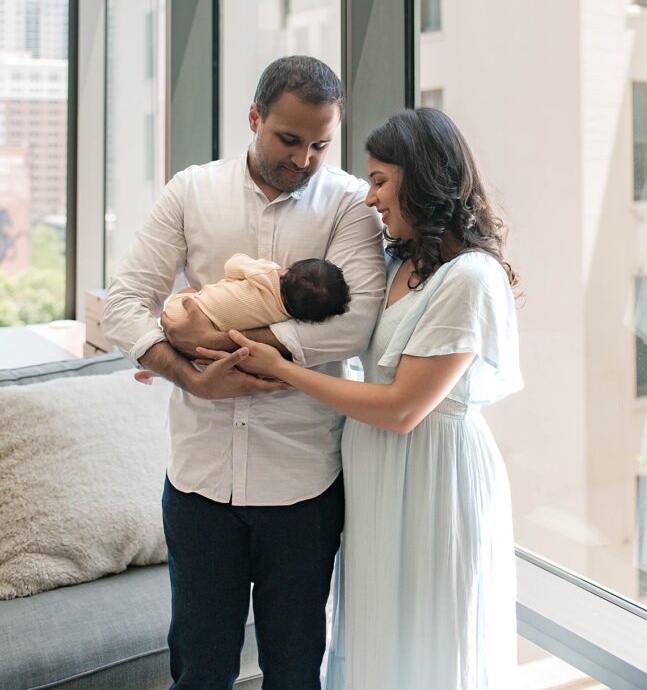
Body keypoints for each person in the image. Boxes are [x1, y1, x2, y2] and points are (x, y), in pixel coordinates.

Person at [205, 108, 523, 690]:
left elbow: (403, 408)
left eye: (380, 180)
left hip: (433, 478)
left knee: (429, 642)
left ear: (421, 178)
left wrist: (284, 368)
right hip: (378, 477)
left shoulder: (471, 279)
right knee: (379, 640)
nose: (370, 198)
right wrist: (178, 349)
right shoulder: (399, 261)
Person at [101, 56, 385, 690]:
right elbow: (122, 304)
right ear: (254, 117)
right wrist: (192, 375)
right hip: (200, 481)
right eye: (289, 139)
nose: (305, 158)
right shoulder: (191, 191)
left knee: (293, 671)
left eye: (319, 143)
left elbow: (355, 324)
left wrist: (226, 341)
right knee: (199, 672)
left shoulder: (346, 204)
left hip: (303, 486)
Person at [134, 253, 351, 384]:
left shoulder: (265, 275)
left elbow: (233, 264)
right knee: (191, 357)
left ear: (285, 273)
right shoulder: (283, 321)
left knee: (189, 291)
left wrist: (267, 268)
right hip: (205, 336)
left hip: (183, 312)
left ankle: (152, 366)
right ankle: (152, 371)